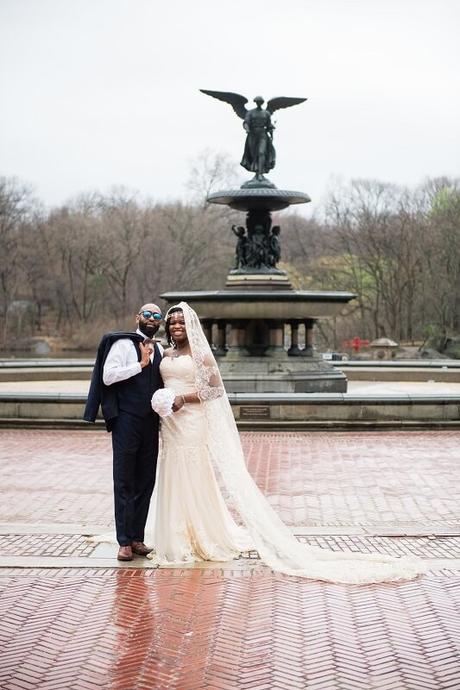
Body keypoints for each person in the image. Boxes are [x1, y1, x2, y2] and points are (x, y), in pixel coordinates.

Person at [142, 302, 426, 584]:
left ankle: (199, 533)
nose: (176, 326)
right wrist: (164, 400)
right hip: (170, 423)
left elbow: (214, 389)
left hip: (192, 421)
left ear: (190, 325)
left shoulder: (202, 355)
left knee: (192, 472)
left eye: (181, 321)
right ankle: (174, 530)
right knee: (171, 470)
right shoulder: (165, 352)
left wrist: (183, 399)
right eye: (173, 322)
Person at [84, 303, 163, 561]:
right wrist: (140, 364)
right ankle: (124, 542)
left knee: (146, 480)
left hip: (151, 422)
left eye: (157, 316)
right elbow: (108, 377)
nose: (152, 319)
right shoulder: (122, 344)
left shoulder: (161, 348)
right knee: (125, 480)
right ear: (137, 317)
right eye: (147, 314)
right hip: (127, 421)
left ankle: (138, 537)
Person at [240, 96, 276, 179]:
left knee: (261, 152)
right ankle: (256, 171)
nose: (259, 103)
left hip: (262, 135)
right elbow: (246, 122)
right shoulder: (250, 112)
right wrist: (247, 129)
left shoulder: (266, 113)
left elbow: (268, 125)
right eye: (258, 101)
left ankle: (260, 173)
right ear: (255, 102)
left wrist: (271, 131)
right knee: (253, 154)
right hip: (252, 135)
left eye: (261, 102)